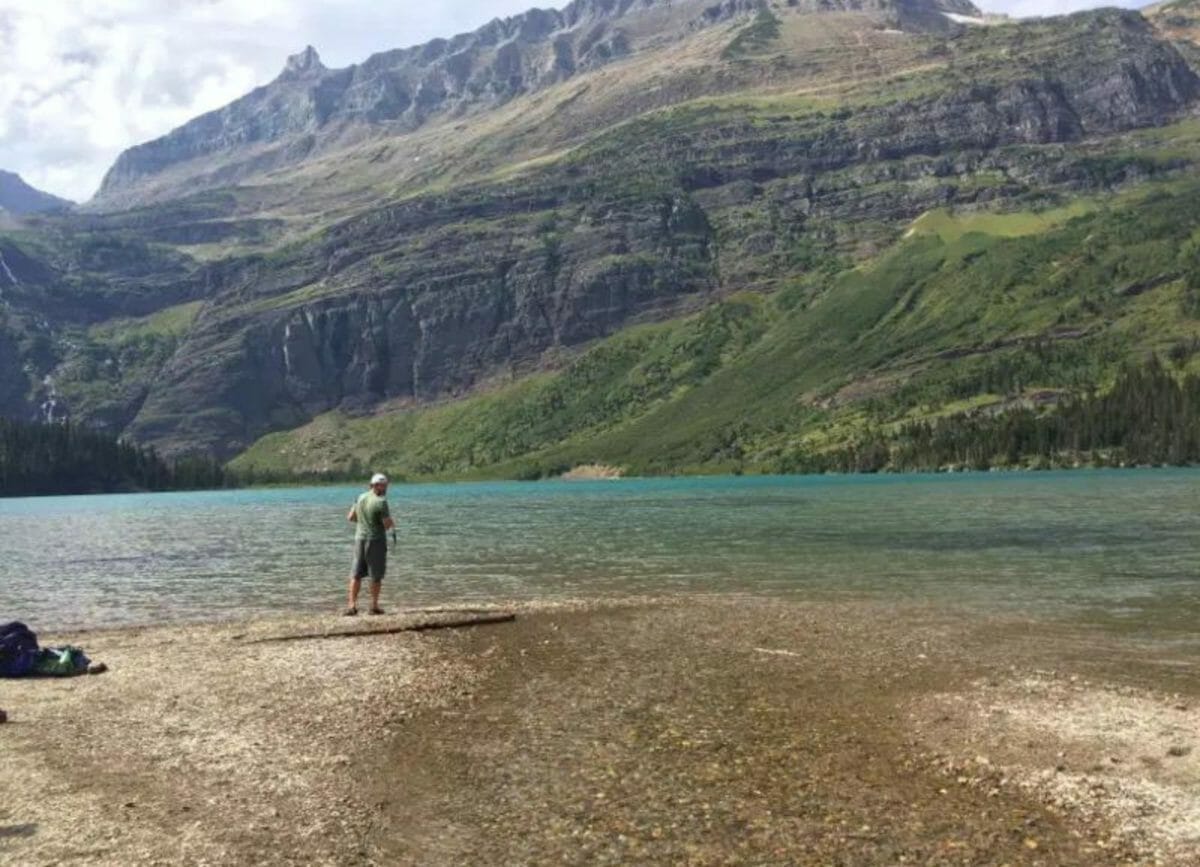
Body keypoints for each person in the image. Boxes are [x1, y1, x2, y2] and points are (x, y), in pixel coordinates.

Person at [345, 472, 395, 616]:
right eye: (383, 485)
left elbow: (351, 517)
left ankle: (352, 606)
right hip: (376, 541)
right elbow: (386, 525)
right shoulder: (381, 502)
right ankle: (373, 606)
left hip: (359, 539)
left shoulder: (360, 497)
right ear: (376, 486)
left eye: (386, 485)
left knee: (356, 574)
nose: (385, 488)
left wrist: (365, 522)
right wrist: (391, 522)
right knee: (376, 575)